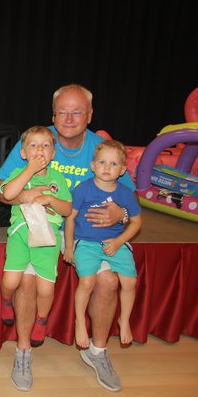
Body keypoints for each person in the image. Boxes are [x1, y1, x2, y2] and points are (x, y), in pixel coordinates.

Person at [0, 84, 136, 393]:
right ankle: (23, 351)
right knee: (26, 282)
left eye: (77, 111)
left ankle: (97, 351)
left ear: (90, 114)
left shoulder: (102, 149)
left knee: (109, 281)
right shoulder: (36, 142)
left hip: (88, 232)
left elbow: (130, 202)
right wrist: (24, 194)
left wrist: (119, 216)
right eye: (62, 112)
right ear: (53, 114)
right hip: (36, 228)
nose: (69, 118)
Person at [0, 126, 72, 366]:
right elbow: (8, 194)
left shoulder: (57, 179)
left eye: (45, 146)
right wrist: (29, 171)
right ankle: (7, 301)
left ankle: (41, 319)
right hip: (20, 234)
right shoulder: (19, 172)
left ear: (53, 154)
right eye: (33, 145)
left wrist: (51, 199)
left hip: (48, 239)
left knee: (45, 289)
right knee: (10, 282)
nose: (39, 150)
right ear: (22, 153)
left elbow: (67, 209)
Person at [63, 140, 142, 351]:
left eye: (114, 164)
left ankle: (124, 320)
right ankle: (80, 321)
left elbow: (136, 222)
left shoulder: (125, 193)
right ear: (92, 165)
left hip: (114, 243)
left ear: (123, 169)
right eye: (102, 162)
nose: (107, 168)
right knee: (87, 282)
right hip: (86, 243)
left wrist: (118, 241)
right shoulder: (83, 190)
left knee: (129, 282)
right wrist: (70, 246)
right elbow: (70, 219)